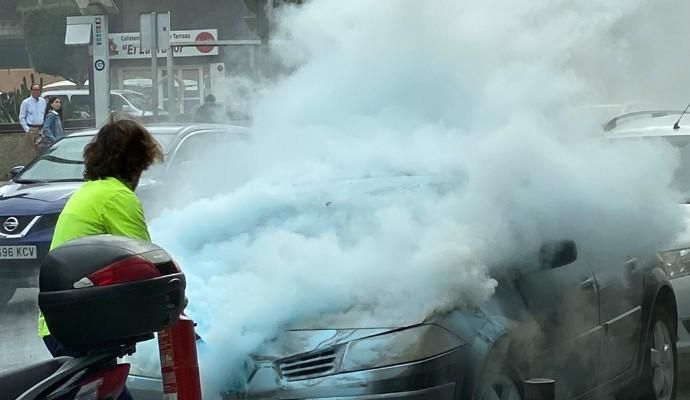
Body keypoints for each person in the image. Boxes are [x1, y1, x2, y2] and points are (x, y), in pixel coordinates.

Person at [37, 117, 163, 400]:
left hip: (62, 324)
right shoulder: (117, 196)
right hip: (81, 328)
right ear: (135, 163)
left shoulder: (90, 191)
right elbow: (148, 265)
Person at [19, 84, 47, 157]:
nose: (36, 92)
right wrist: (28, 130)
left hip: (42, 129)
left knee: (42, 150)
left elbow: (44, 114)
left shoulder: (43, 101)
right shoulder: (26, 102)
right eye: (34, 90)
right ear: (31, 91)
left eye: (38, 90)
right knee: (32, 151)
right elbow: (22, 117)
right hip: (32, 129)